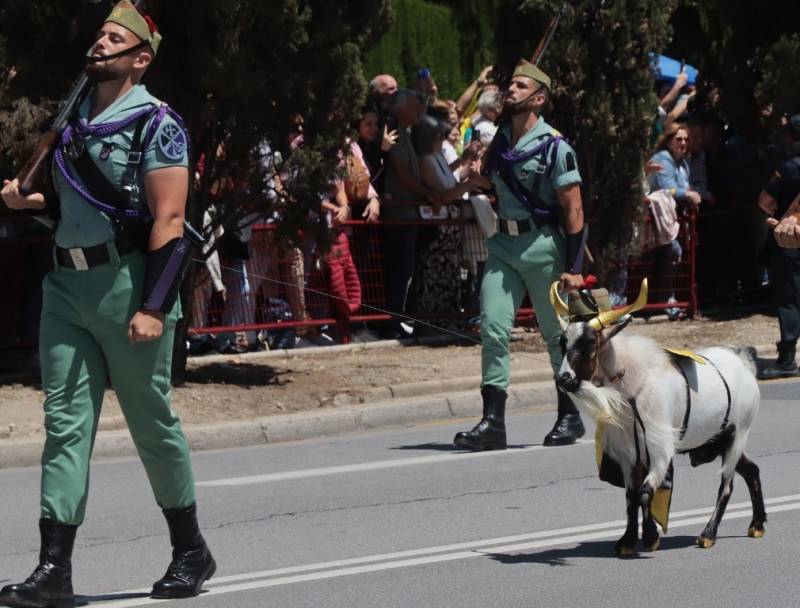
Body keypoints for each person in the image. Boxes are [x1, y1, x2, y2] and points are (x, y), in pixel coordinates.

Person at [0, 3, 216, 605]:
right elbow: (74, 208)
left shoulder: (157, 124)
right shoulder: (71, 122)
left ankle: (191, 550)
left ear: (140, 59)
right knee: (64, 426)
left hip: (127, 289)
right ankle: (54, 570)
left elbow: (168, 218)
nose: (100, 44)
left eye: (114, 38)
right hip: (65, 289)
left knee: (151, 424)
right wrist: (26, 201)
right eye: (99, 35)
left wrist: (154, 307)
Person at [452, 59, 588, 450]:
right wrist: (469, 173)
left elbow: (574, 209)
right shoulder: (502, 142)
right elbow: (494, 182)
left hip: (542, 247)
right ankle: (492, 423)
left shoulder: (556, 147)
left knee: (555, 335)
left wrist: (574, 267)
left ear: (539, 98)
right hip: (503, 245)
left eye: (520, 86)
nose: (511, 89)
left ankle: (570, 415)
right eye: (510, 85)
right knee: (493, 328)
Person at [647, 123, 702, 319]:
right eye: (678, 139)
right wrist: (688, 194)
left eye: (686, 139)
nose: (683, 143)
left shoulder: (683, 162)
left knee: (675, 255)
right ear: (668, 141)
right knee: (672, 252)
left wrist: (693, 193)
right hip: (657, 221)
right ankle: (666, 302)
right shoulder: (663, 159)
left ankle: (668, 300)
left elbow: (687, 185)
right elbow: (667, 187)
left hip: (674, 220)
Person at [757, 152, 800, 379]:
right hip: (789, 236)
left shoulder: (790, 167)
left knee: (788, 298)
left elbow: (764, 201)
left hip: (787, 242)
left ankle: (787, 360)